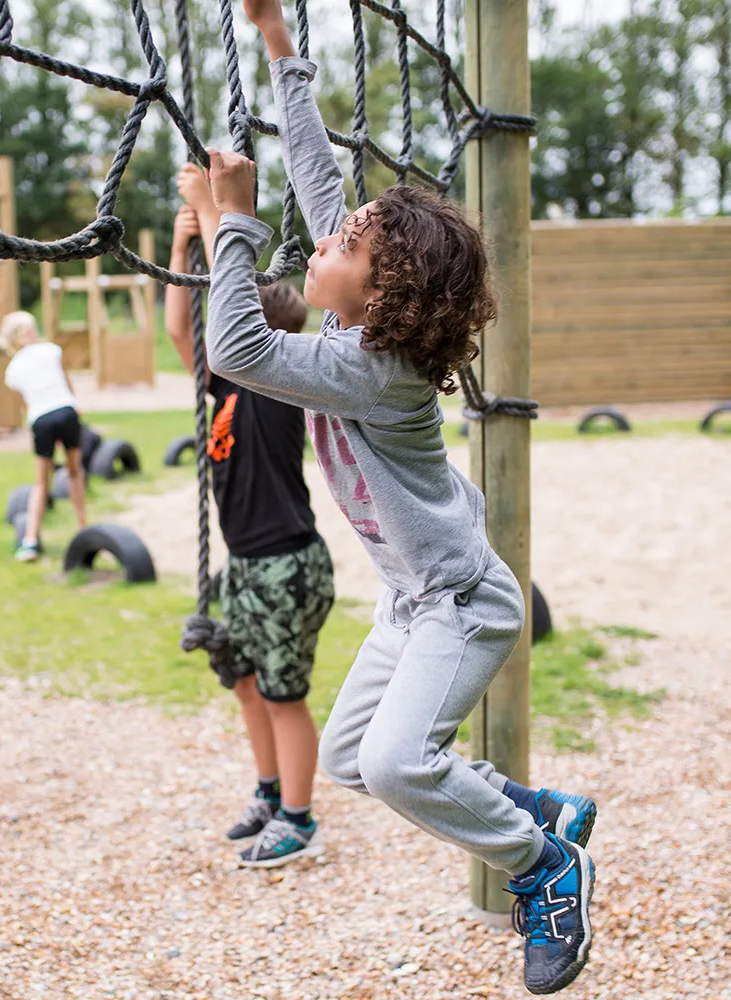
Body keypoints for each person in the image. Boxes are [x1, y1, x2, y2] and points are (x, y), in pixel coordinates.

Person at [210, 3, 599, 993]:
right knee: (352, 756)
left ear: (379, 294)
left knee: (394, 764)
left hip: (462, 605)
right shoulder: (359, 334)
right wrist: (279, 43)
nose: (326, 234)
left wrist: (233, 225)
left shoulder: (370, 369)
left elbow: (236, 348)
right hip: (415, 600)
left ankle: (544, 867)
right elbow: (319, 177)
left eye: (344, 240)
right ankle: (533, 806)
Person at [166, 186, 335, 869]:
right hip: (245, 563)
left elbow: (231, 292)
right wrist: (181, 241)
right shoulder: (227, 387)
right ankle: (270, 792)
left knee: (282, 695)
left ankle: (299, 818)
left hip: (286, 566)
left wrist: (217, 214)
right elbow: (180, 332)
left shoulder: (276, 385)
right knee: (244, 680)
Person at [0, 310, 87, 561]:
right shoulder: (51, 350)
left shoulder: (12, 370)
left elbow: (24, 405)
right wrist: (74, 406)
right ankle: (83, 528)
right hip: (66, 411)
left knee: (41, 482)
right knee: (74, 472)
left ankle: (30, 541)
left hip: (41, 419)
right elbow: (66, 383)